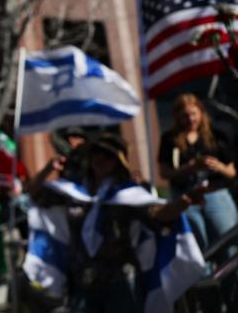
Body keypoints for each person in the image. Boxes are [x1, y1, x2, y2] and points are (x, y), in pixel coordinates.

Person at [25, 132, 207, 313]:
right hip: (82, 279)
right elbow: (34, 194)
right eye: (97, 153)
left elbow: (157, 214)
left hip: (119, 279)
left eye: (109, 156)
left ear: (118, 162)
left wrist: (185, 201)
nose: (101, 159)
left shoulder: (128, 195)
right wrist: (48, 169)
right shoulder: (74, 191)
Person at [158, 93, 238, 257]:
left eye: (193, 114)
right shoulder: (170, 139)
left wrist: (218, 167)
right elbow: (164, 172)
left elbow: (231, 172)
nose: (190, 119)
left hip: (215, 194)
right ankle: (205, 282)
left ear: (201, 113)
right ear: (177, 117)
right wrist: (189, 168)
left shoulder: (216, 136)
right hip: (187, 197)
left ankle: (230, 282)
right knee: (196, 249)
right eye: (185, 116)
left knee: (228, 246)